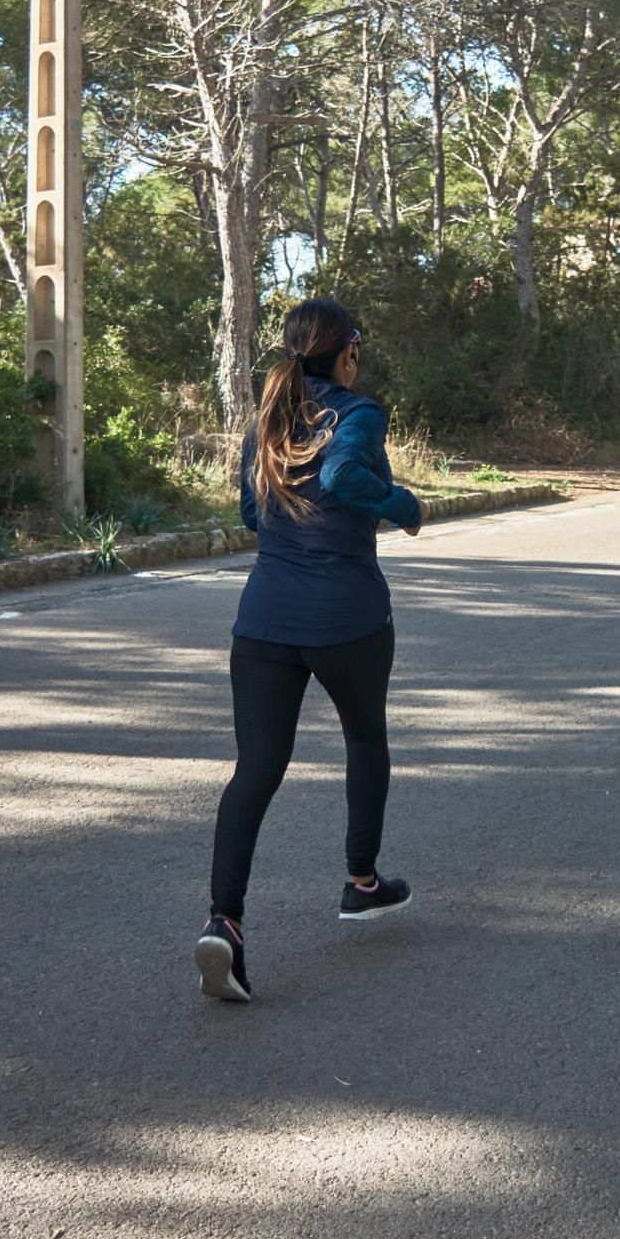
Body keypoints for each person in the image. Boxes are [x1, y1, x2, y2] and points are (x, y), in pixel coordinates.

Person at [195, 297, 424, 1003]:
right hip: (347, 618)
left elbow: (248, 511)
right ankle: (361, 883)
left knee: (255, 771)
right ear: (346, 352)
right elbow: (343, 478)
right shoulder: (358, 413)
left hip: (263, 621)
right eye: (358, 344)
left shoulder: (270, 418)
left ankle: (223, 924)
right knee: (365, 739)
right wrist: (402, 504)